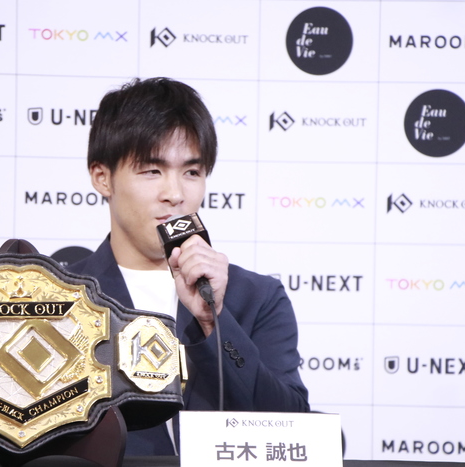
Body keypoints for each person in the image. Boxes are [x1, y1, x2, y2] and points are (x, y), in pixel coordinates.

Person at [67, 77, 309, 456]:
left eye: (192, 172)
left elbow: (294, 429)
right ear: (102, 177)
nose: (176, 194)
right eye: (152, 171)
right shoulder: (60, 297)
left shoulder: (257, 297)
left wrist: (214, 324)